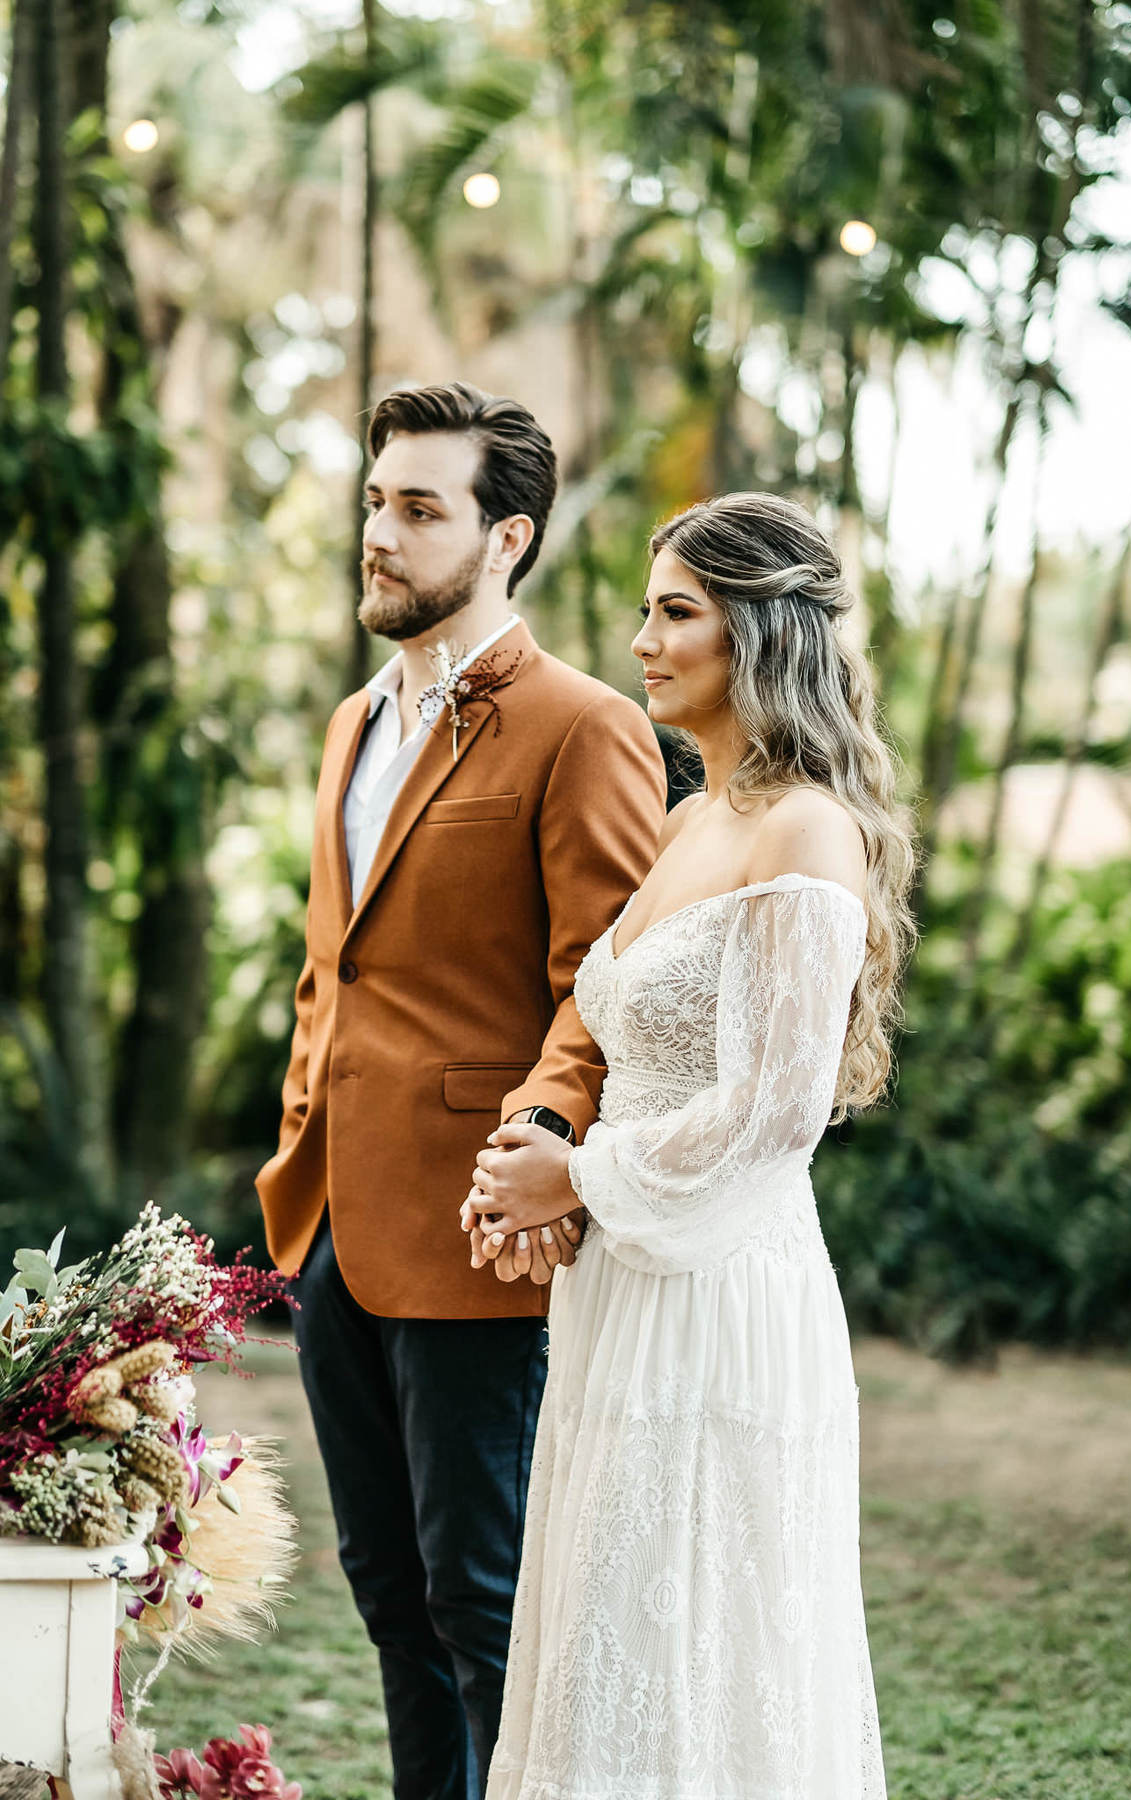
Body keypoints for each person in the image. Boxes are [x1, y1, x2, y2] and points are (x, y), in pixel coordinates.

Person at [465, 491, 915, 1800]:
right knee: (609, 1637)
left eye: (678, 613)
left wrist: (580, 1178)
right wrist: (539, 1167)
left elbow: (775, 1110)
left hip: (723, 1301)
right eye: (650, 610)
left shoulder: (803, 833)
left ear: (762, 635)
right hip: (624, 1287)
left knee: (696, 1641)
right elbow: (609, 1035)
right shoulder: (690, 821)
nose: (643, 639)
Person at [255, 380, 666, 1800]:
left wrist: (545, 1135)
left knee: (486, 1604)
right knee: (388, 1604)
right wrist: (295, 1153)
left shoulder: (584, 725)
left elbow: (606, 986)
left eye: (419, 510)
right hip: (331, 1234)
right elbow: (340, 975)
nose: (381, 533)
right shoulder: (350, 723)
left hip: (486, 1234)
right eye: (377, 500)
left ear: (508, 539)